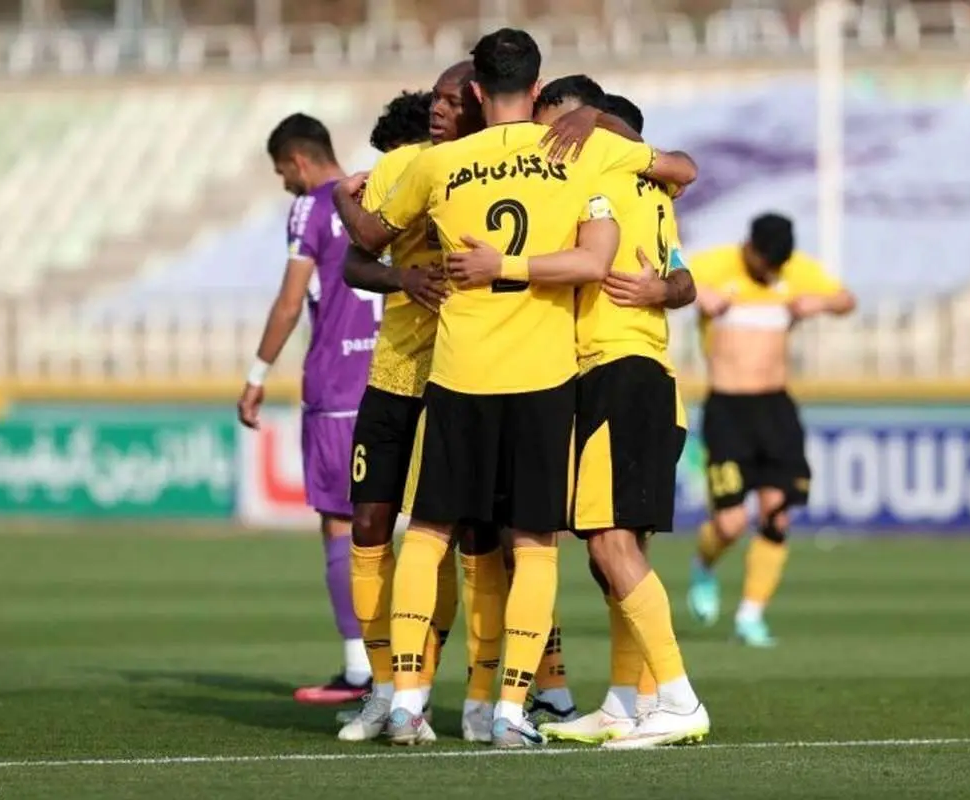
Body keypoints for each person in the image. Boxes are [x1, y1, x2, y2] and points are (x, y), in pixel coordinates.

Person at [333, 27, 697, 748]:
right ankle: (508, 710)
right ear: (536, 89)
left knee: (428, 532)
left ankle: (403, 701)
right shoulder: (575, 156)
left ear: (475, 91)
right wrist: (518, 265)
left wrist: (343, 197)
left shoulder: (437, 161)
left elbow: (368, 237)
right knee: (534, 544)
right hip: (545, 374)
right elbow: (602, 253)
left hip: (458, 369)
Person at [511, 87, 710, 748]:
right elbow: (683, 274)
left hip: (616, 371)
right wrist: (663, 287)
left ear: (576, 120)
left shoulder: (593, 155)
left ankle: (678, 697)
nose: (543, 135)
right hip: (645, 376)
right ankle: (626, 702)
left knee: (609, 545)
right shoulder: (650, 188)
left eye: (551, 120)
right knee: (618, 555)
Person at [335, 64, 481, 744]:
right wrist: (402, 277)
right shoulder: (400, 167)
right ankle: (383, 690)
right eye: (436, 101)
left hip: (461, 379)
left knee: (449, 539)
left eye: (451, 101)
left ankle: (435, 693)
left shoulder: (495, 172)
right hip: (392, 374)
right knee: (369, 525)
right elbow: (355, 262)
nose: (438, 111)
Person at [237, 113, 379, 705]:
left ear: (298, 161)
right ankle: (416, 668)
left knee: (341, 523)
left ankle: (361, 668)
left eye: (282, 172)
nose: (285, 184)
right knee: (413, 527)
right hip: (394, 378)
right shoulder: (379, 191)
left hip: (337, 387)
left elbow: (290, 301)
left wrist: (256, 375)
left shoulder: (311, 208)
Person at [686, 213, 857, 646]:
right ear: (750, 248)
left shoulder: (796, 271)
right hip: (727, 408)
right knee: (730, 524)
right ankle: (703, 565)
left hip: (776, 407)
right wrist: (695, 293)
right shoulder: (714, 266)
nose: (773, 271)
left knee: (777, 514)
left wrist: (820, 304)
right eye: (768, 262)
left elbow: (846, 300)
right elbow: (663, 276)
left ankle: (750, 615)